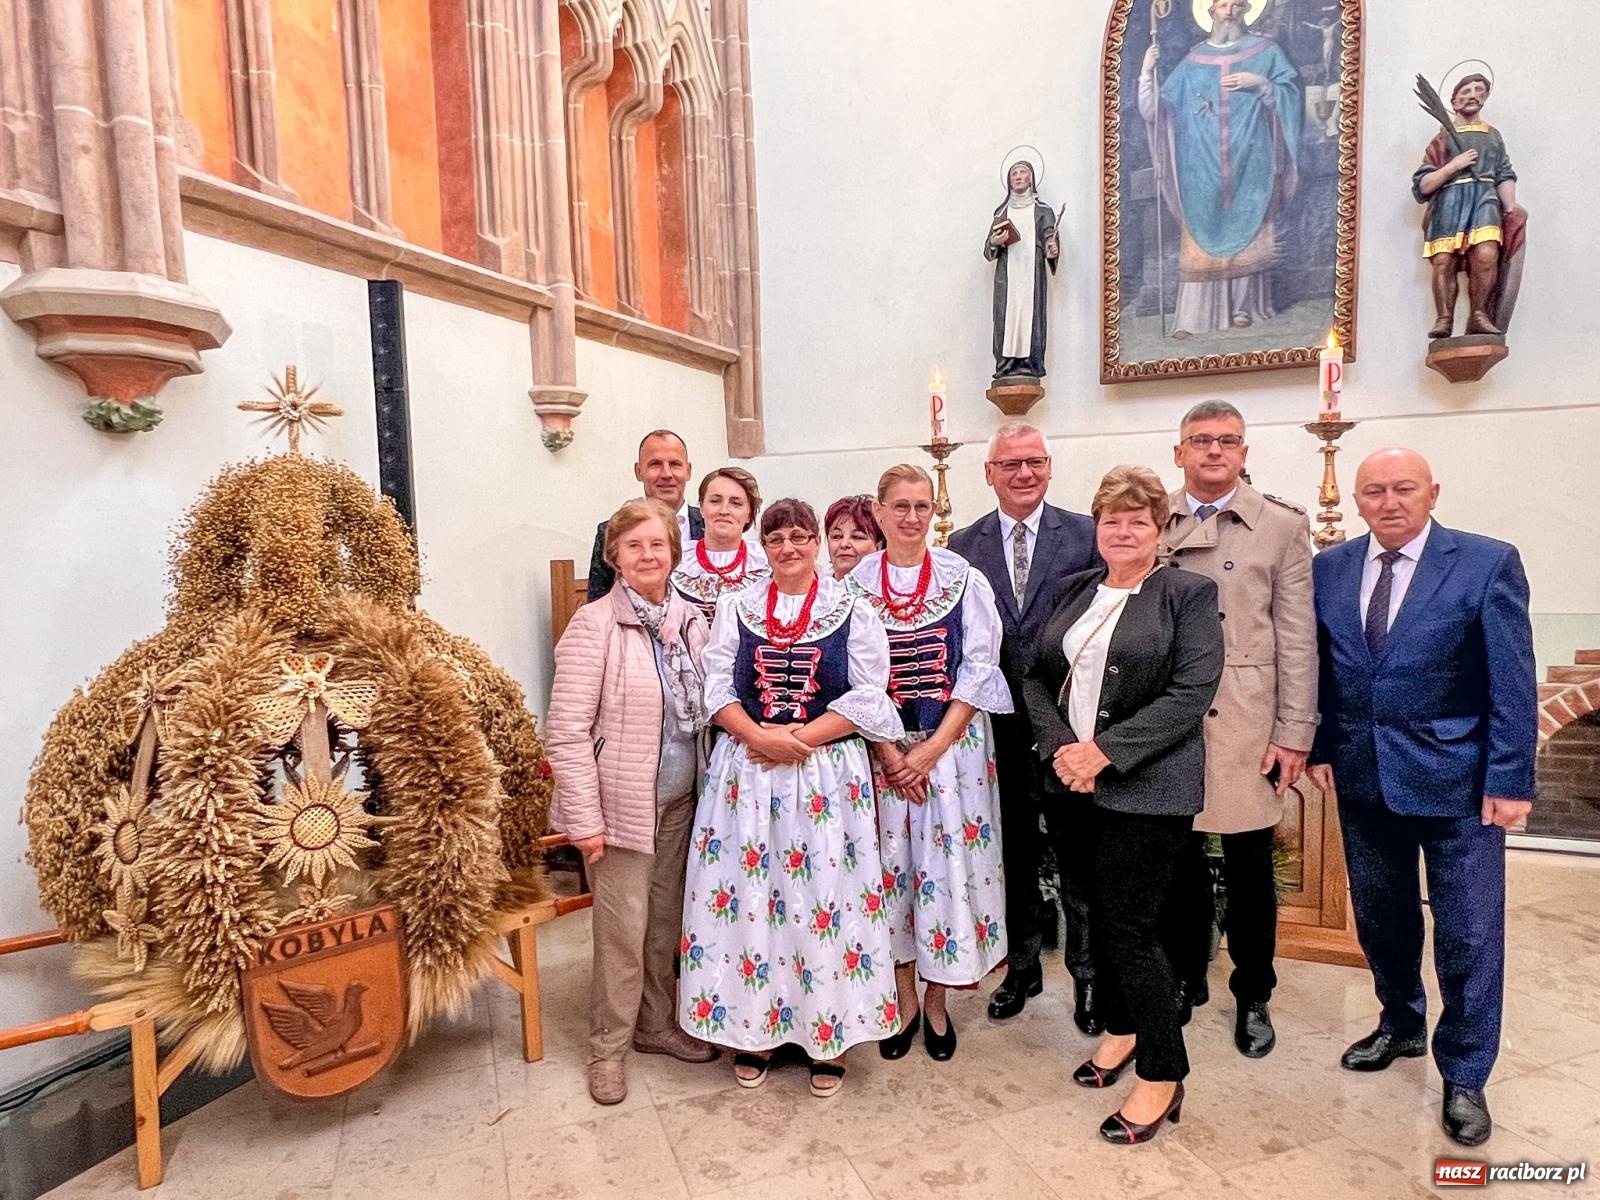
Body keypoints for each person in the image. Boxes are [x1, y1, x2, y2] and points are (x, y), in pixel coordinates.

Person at [1307, 449, 1536, 1148]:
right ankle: (1400, 1024)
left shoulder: (1485, 563)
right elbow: (1322, 668)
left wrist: (1509, 780)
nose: (1389, 502)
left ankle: (1465, 1074)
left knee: (1468, 934)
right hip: (1363, 778)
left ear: (1432, 492)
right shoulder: (1331, 568)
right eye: (1373, 491)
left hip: (1459, 785)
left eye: (1404, 488)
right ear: (1357, 498)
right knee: (1382, 920)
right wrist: (1318, 748)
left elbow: (1514, 680)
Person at [1023, 466, 1223, 1146]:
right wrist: (1061, 751)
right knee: (1090, 913)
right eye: (1112, 518)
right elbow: (1035, 676)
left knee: (1132, 928)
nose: (1123, 529)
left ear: (1159, 527)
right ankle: (1122, 1026)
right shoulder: (1075, 589)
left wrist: (1102, 752)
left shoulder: (1188, 595)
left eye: (1138, 519)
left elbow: (1190, 693)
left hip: (1146, 789)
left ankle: (1165, 1074)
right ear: (1097, 525)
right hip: (1072, 785)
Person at [680, 499, 904, 1098]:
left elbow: (868, 693)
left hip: (825, 774)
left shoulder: (852, 607)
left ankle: (824, 1038)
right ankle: (755, 1030)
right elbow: (717, 682)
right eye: (778, 538)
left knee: (819, 900)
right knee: (754, 896)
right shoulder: (737, 605)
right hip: (748, 773)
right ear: (764, 543)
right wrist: (755, 735)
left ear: (816, 544)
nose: (790, 548)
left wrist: (798, 740)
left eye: (802, 537)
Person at [547, 498, 718, 1106]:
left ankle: (655, 1026)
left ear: (675, 552)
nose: (648, 555)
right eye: (634, 546)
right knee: (623, 935)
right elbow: (565, 731)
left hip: (679, 804)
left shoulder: (693, 620)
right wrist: (585, 821)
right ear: (614, 556)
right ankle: (607, 1050)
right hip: (620, 811)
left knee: (664, 927)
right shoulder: (593, 626)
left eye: (659, 545)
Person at [1159, 401, 1317, 1058]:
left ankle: (1254, 992)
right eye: (1201, 440)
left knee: (1249, 865)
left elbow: (1298, 638)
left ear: (1245, 452)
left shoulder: (1279, 526)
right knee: (1178, 861)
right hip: (1169, 714)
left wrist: (1294, 732)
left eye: (1228, 441)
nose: (1214, 451)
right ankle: (1187, 977)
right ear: (1179, 453)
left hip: (1246, 716)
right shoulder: (1152, 517)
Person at [850, 465, 1012, 1063]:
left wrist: (932, 749)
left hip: (952, 749)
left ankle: (939, 999)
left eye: (922, 505)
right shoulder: (854, 584)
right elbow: (851, 679)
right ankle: (902, 999)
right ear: (879, 510)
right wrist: (892, 753)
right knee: (889, 870)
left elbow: (978, 668)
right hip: (879, 753)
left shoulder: (962, 578)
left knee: (947, 869)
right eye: (900, 505)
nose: (912, 516)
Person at [948, 422, 1101, 1028]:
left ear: (1049, 467)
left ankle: (1088, 980)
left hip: (1068, 727)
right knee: (1009, 853)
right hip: (994, 729)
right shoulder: (962, 545)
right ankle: (1023, 968)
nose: (1023, 473)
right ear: (988, 473)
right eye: (1009, 464)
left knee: (1077, 859)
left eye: (1034, 461)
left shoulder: (1087, 536)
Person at [1139, 0, 1303, 338]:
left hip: (1251, 159)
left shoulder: (1266, 51)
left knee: (1249, 216)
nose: (1229, 11)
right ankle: (1194, 317)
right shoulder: (1192, 62)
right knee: (1202, 225)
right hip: (1199, 165)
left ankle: (1245, 308)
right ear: (1211, 12)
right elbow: (1157, 113)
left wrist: (1262, 82)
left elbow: (1290, 97)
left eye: (1236, 5)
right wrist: (1145, 72)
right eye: (1223, 5)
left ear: (1245, 10)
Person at [1412, 73, 1526, 338]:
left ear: (1485, 98)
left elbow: (1504, 173)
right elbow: (1423, 185)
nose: (1473, 95)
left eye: (1479, 90)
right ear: (1453, 99)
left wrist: (1510, 205)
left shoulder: (1493, 135)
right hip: (1450, 201)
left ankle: (1479, 314)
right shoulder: (1442, 138)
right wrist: (1454, 166)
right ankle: (1444, 318)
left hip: (1484, 198)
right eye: (1466, 90)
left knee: (1486, 254)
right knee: (1443, 260)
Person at [587, 430, 703, 600]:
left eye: (675, 464)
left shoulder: (711, 527)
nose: (666, 474)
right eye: (655, 464)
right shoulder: (611, 532)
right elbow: (598, 601)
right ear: (638, 471)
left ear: (688, 470)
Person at [984, 158, 1059, 382]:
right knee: (1006, 317)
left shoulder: (1043, 211)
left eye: (1022, 172)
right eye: (1013, 173)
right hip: (1008, 276)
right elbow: (988, 250)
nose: (1017, 176)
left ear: (1031, 178)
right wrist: (995, 241)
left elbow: (1049, 239)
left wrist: (1052, 250)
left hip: (1030, 274)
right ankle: (1006, 363)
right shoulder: (1002, 212)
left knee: (1030, 315)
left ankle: (1029, 362)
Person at [672, 467, 770, 623]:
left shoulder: (766, 564)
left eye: (736, 503)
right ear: (702, 508)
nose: (724, 510)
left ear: (749, 514)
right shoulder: (677, 562)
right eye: (715, 501)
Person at [824, 495, 883, 580]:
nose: (844, 544)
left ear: (879, 546)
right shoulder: (817, 590)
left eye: (857, 537)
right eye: (837, 536)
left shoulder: (898, 590)